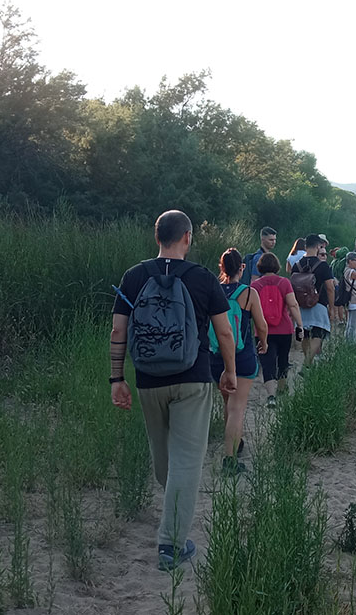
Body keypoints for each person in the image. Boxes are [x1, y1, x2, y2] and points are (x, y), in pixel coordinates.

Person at [110, 210, 237, 571]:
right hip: (192, 378)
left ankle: (173, 520)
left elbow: (118, 331)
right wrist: (229, 371)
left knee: (164, 460)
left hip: (149, 380)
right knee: (186, 462)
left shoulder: (134, 276)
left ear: (157, 237)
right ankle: (170, 546)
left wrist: (116, 379)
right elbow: (224, 331)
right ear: (187, 237)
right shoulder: (203, 278)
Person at [212, 248, 268, 475]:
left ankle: (235, 442)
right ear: (242, 268)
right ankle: (230, 459)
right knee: (237, 407)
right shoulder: (248, 293)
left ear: (221, 267)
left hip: (216, 356)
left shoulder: (214, 291)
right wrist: (263, 342)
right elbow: (261, 325)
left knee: (228, 403)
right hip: (242, 356)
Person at [250, 252, 305, 408]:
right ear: (276, 266)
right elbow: (293, 305)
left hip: (263, 330)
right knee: (283, 360)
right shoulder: (284, 282)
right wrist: (299, 325)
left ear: (260, 267)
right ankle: (281, 388)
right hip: (284, 329)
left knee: (267, 362)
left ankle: (271, 396)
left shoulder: (255, 286)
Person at [294, 234, 336, 363]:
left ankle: (308, 361)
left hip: (301, 304)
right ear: (318, 246)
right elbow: (330, 288)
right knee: (319, 333)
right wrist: (332, 308)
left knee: (305, 335)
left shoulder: (297, 265)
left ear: (305, 246)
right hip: (318, 303)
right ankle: (307, 362)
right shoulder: (323, 266)